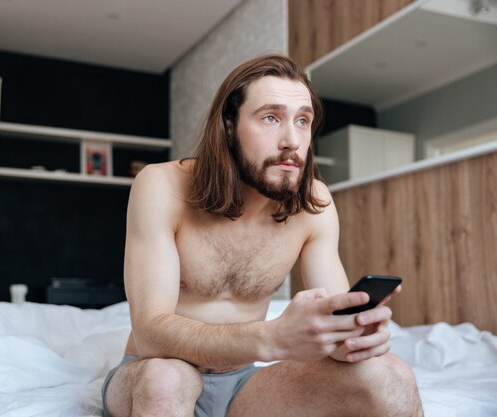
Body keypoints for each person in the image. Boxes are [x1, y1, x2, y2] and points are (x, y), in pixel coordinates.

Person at [101, 54, 424, 417]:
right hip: (155, 370)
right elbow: (150, 334)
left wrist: (352, 337)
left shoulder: (315, 202)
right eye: (271, 118)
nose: (291, 139)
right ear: (228, 126)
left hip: (243, 383)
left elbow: (335, 328)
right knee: (167, 380)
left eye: (303, 121)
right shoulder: (161, 185)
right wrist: (270, 338)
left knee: (392, 375)